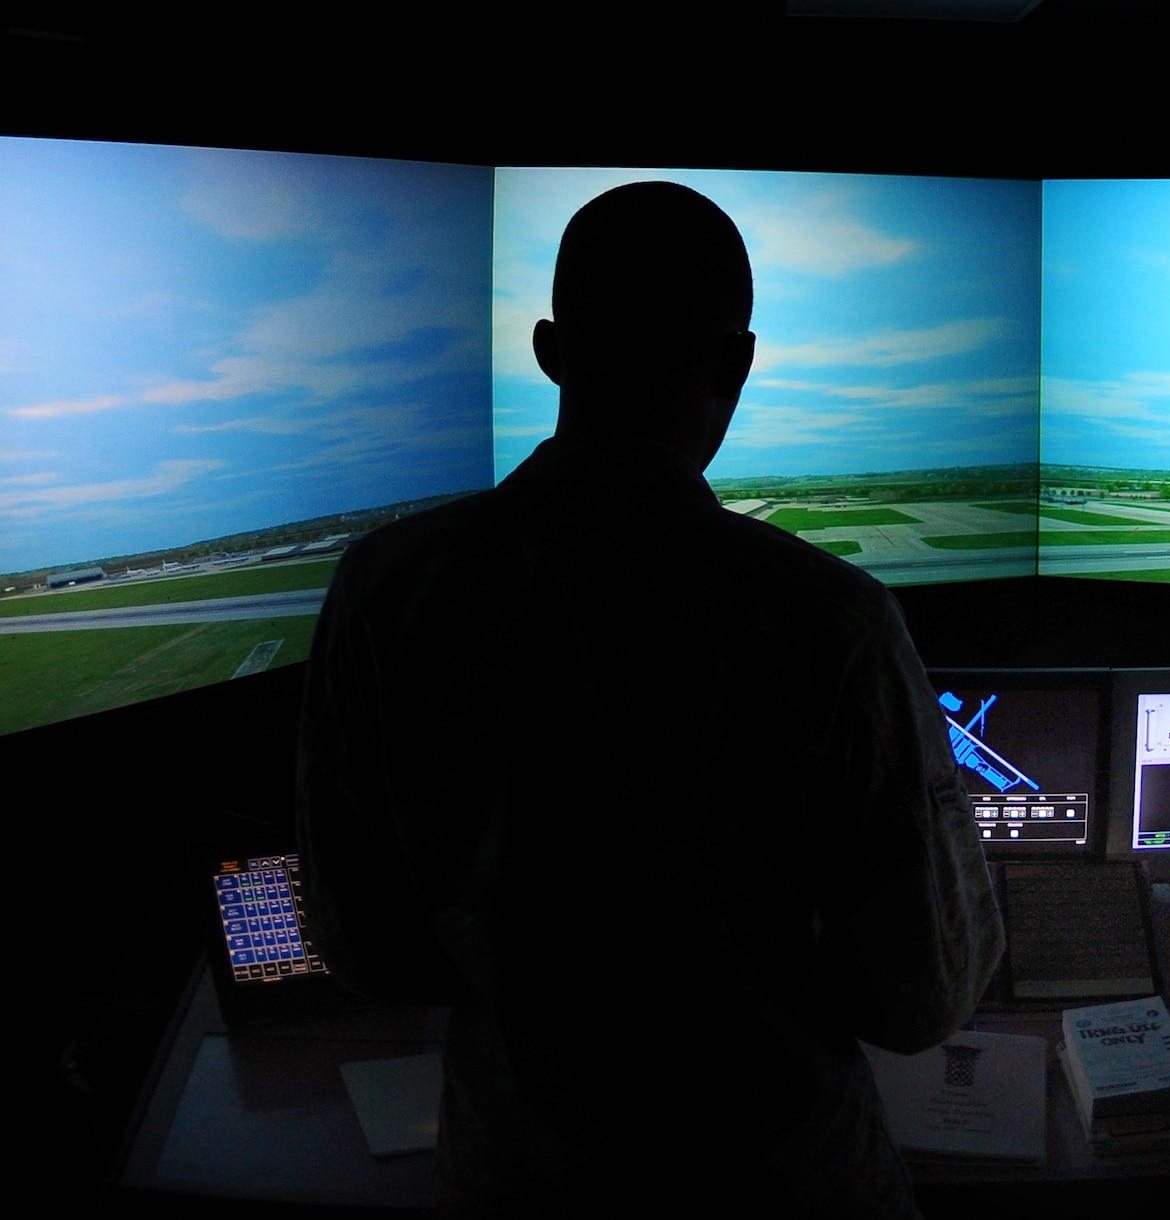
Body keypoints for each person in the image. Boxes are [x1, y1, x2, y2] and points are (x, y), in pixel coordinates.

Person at [296, 181, 1004, 1215]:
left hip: (515, 1173)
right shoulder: (831, 616)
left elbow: (365, 945)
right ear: (736, 363)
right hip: (783, 1178)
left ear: (548, 349)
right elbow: (919, 994)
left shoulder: (386, 588)